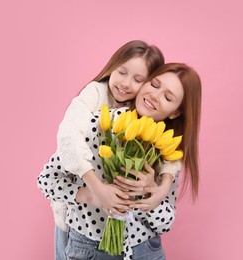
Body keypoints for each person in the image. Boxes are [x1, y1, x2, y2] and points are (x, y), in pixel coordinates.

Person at [37, 63, 202, 259]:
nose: (154, 96)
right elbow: (47, 180)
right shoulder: (97, 125)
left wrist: (147, 194)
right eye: (154, 85)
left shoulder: (168, 150)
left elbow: (165, 223)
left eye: (168, 97)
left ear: (175, 112)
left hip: (145, 250)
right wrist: (93, 196)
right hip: (90, 248)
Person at [51, 40, 165, 260]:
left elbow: (169, 151)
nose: (125, 83)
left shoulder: (143, 112)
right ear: (112, 66)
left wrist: (165, 183)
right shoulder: (94, 95)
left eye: (138, 80)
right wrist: (98, 190)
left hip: (128, 238)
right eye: (121, 72)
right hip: (75, 223)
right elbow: (68, 136)